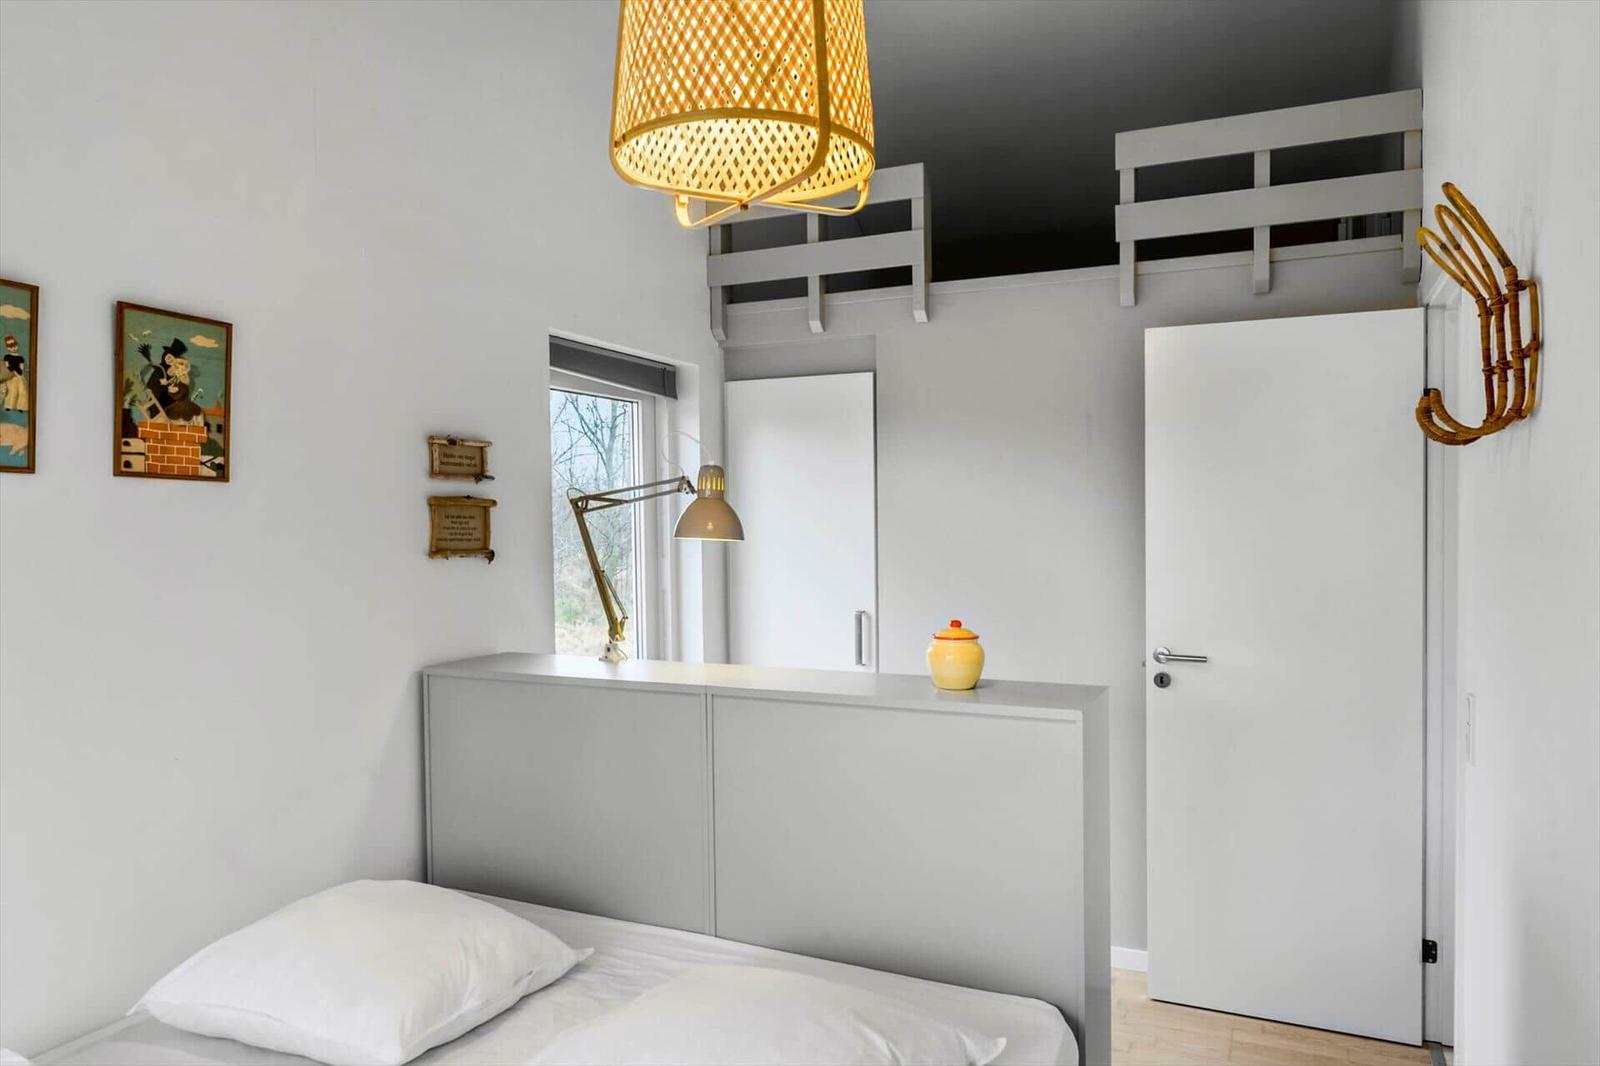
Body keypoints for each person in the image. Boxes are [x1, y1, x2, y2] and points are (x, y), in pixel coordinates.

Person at [0, 336, 26, 412]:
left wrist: (18, 372)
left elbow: (21, 368)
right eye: (11, 347)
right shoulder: (7, 357)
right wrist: (13, 371)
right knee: (11, 391)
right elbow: (8, 366)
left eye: (14, 346)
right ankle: (9, 406)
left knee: (22, 391)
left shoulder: (20, 357)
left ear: (17, 345)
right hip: (11, 376)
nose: (13, 348)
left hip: (19, 375)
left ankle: (21, 406)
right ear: (8, 348)